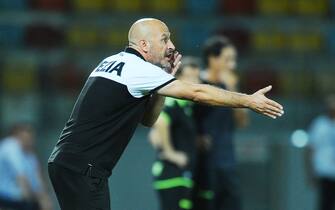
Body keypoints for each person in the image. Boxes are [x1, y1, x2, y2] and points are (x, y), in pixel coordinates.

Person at [47, 18, 284, 210]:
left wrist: (162, 83)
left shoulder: (112, 61)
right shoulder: (138, 68)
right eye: (164, 39)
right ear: (144, 45)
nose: (171, 45)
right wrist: (248, 100)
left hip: (68, 162)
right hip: (84, 168)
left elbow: (147, 120)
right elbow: (198, 92)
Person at [192, 36, 248, 210]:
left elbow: (242, 122)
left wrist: (233, 91)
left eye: (233, 60)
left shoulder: (230, 86)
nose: (232, 65)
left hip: (227, 160)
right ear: (212, 59)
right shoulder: (196, 86)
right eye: (227, 59)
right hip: (202, 163)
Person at [148, 57, 200, 210]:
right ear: (179, 78)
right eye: (190, 76)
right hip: (171, 174)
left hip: (182, 175)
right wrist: (170, 153)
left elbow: (153, 136)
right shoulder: (173, 102)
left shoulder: (187, 107)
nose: (195, 81)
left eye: (197, 77)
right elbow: (159, 122)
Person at [0, 123, 52, 210]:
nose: (31, 140)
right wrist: (39, 199)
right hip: (8, 199)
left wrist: (44, 197)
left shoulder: (28, 152)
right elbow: (21, 178)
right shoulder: (10, 146)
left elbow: (37, 177)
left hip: (20, 200)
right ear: (18, 135)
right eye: (27, 136)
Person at [306, 95, 335, 210]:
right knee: (325, 203)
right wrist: (310, 172)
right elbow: (311, 149)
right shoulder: (319, 124)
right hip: (324, 171)